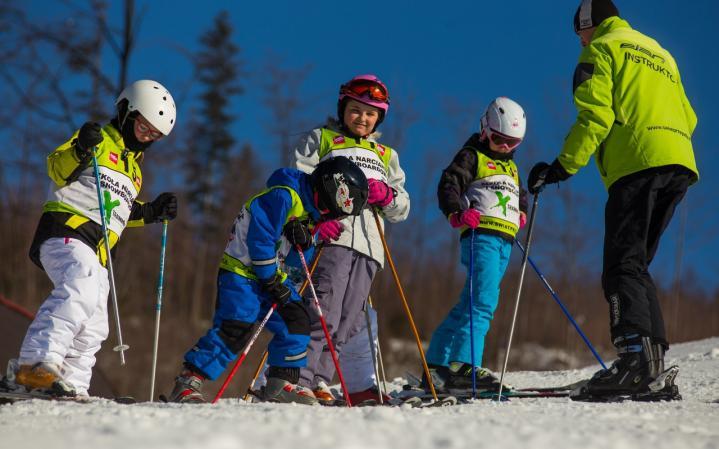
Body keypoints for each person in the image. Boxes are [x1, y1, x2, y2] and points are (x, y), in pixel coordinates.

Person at [527, 0, 698, 399]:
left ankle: (634, 360)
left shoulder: (601, 49)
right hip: (678, 161)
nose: (580, 41)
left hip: (636, 164)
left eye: (580, 33)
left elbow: (595, 116)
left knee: (621, 265)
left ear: (589, 25)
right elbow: (689, 115)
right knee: (636, 264)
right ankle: (652, 365)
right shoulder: (660, 52)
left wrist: (561, 167)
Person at [4, 80, 179, 397]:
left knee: (97, 324)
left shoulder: (134, 171)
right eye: (143, 128)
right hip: (66, 231)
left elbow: (116, 211)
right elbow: (56, 168)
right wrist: (82, 147)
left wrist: (151, 212)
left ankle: (71, 384)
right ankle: (35, 365)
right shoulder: (98, 141)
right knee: (80, 290)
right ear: (126, 112)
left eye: (155, 135)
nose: (147, 138)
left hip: (98, 251)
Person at [167, 156, 369, 404]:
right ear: (326, 189)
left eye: (334, 215)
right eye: (330, 210)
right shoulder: (283, 196)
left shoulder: (311, 213)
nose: (328, 217)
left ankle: (280, 383)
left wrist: (305, 242)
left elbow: (296, 261)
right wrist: (272, 278)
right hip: (242, 272)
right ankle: (189, 381)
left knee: (297, 320)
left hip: (272, 277)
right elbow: (260, 239)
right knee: (237, 327)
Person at [292, 74, 410, 404]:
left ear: (379, 118)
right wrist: (315, 221)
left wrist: (386, 195)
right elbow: (299, 183)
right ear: (343, 108)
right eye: (356, 110)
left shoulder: (387, 155)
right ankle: (299, 376)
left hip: (371, 246)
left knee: (348, 319)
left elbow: (402, 207)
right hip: (335, 237)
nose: (362, 118)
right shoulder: (323, 138)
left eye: (370, 113)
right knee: (323, 309)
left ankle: (320, 380)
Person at [424, 97, 528, 392]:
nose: (505, 148)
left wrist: (522, 210)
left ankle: (436, 365)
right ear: (485, 129)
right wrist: (456, 211)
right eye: (499, 140)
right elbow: (450, 183)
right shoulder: (473, 155)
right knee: (483, 302)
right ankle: (463, 365)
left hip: (505, 242)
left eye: (512, 143)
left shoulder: (511, 168)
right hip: (480, 235)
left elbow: (519, 194)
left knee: (468, 304)